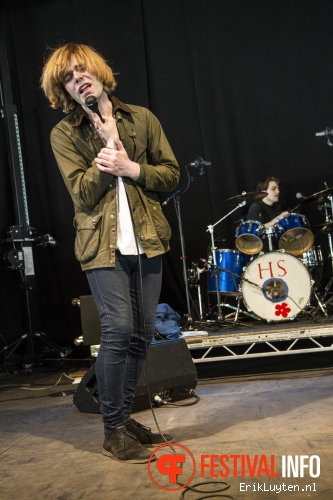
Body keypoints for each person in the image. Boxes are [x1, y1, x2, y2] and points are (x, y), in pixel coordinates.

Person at [40, 43, 180, 464]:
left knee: (140, 334)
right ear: (62, 89)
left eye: (82, 70)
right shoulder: (64, 133)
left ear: (99, 72)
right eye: (68, 76)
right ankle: (112, 429)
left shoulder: (143, 119)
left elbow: (171, 174)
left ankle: (124, 418)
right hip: (101, 246)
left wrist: (133, 168)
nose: (78, 78)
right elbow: (82, 193)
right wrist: (109, 150)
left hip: (147, 240)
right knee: (119, 330)